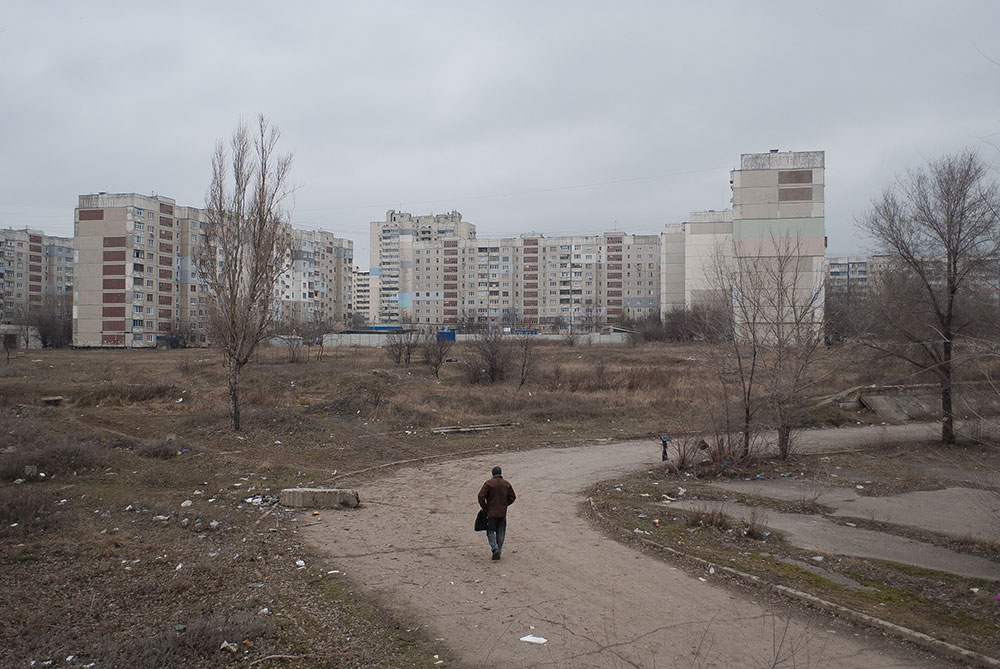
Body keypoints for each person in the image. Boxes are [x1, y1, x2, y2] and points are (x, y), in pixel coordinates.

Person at [478, 465, 516, 560]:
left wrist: (485, 507)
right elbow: (513, 497)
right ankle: (499, 550)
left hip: (491, 513)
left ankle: (494, 548)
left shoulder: (488, 483)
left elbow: (481, 496)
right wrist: (505, 504)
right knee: (501, 533)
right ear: (501, 473)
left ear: (492, 473)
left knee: (490, 531)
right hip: (502, 513)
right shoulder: (506, 484)